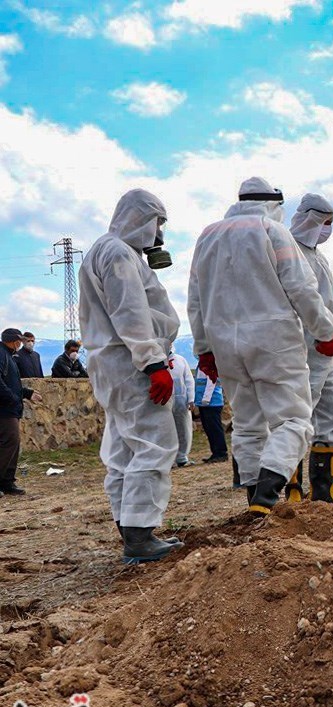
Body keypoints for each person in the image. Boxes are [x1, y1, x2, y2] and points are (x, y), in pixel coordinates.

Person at [188, 177, 333, 516]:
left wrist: (204, 349)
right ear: (272, 204)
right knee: (294, 420)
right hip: (274, 340)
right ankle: (267, 497)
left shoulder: (207, 236)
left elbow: (195, 297)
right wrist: (325, 331)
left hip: (224, 342)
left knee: (247, 423)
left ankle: (254, 500)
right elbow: (300, 288)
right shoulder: (271, 230)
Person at [79, 189, 184, 563]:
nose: (159, 233)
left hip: (113, 363)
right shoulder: (120, 253)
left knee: (124, 448)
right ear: (141, 218)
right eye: (158, 223)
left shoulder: (104, 249)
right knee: (154, 443)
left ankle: (131, 529)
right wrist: (154, 364)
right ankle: (140, 536)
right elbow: (130, 312)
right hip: (131, 363)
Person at [287, 193, 333, 504]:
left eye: (331, 223)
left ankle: (324, 490)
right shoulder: (288, 252)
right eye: (325, 222)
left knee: (331, 415)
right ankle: (293, 491)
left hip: (329, 350)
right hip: (303, 350)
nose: (327, 229)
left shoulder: (318, 256)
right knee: (299, 418)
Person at [1, 328, 43, 496]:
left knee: (13, 444)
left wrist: (27, 393)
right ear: (13, 340)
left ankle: (7, 482)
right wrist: (12, 398)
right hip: (4, 409)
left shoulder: (9, 356)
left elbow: (13, 384)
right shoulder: (2, 354)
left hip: (10, 408)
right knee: (9, 443)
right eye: (19, 340)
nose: (21, 343)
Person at [194, 366, 228, 464]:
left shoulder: (209, 365)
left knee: (214, 429)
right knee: (209, 429)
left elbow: (211, 382)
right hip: (203, 402)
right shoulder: (201, 366)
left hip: (212, 402)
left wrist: (206, 399)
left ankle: (221, 453)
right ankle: (215, 452)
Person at [168, 351, 196, 468]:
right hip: (164, 401)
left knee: (184, 429)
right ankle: (168, 459)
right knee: (167, 431)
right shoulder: (156, 361)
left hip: (181, 400)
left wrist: (191, 399)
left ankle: (182, 457)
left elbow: (189, 380)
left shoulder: (180, 360)